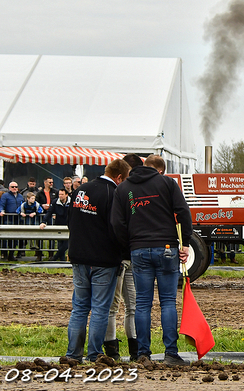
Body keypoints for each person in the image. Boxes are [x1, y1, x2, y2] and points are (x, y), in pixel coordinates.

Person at [111, 154, 192, 366]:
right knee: (167, 302)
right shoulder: (167, 183)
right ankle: (171, 353)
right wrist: (185, 242)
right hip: (166, 247)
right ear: (160, 170)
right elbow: (183, 212)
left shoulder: (123, 188)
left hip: (138, 249)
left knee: (142, 305)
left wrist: (128, 246)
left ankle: (142, 354)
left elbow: (117, 223)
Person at [65, 159, 131, 363]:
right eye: (125, 179)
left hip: (78, 256)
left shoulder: (81, 190)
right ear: (119, 177)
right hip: (103, 259)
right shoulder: (114, 193)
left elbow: (71, 221)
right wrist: (123, 252)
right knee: (101, 308)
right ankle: (94, 354)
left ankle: (73, 354)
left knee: (80, 307)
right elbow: (116, 228)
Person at [103, 154, 143, 361]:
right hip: (125, 255)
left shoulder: (117, 191)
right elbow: (128, 221)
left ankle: (115, 350)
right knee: (129, 306)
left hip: (120, 255)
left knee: (116, 306)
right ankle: (129, 350)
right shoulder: (125, 193)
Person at [40, 188, 71, 261]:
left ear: (66, 195)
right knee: (60, 243)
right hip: (59, 224)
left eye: (62, 194)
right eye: (59, 194)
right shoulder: (55, 202)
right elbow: (49, 212)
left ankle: (55, 257)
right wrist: (44, 222)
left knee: (66, 243)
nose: (60, 196)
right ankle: (61, 260)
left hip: (68, 225)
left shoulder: (71, 202)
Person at [0, 181, 25, 260]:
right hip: (8, 219)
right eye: (13, 187)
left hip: (17, 219)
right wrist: (1, 211)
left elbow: (23, 206)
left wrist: (24, 212)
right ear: (9, 188)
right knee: (5, 237)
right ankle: (4, 253)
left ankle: (11, 254)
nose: (14, 188)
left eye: (16, 187)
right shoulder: (5, 196)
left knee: (15, 238)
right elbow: (1, 205)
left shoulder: (20, 196)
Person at [16, 192, 43, 259]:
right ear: (28, 199)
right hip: (26, 224)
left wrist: (35, 213)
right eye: (32, 198)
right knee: (23, 239)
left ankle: (39, 253)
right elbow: (17, 210)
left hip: (35, 223)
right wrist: (21, 213)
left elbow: (41, 210)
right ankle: (21, 252)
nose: (33, 200)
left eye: (34, 198)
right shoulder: (23, 205)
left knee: (37, 239)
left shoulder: (36, 204)